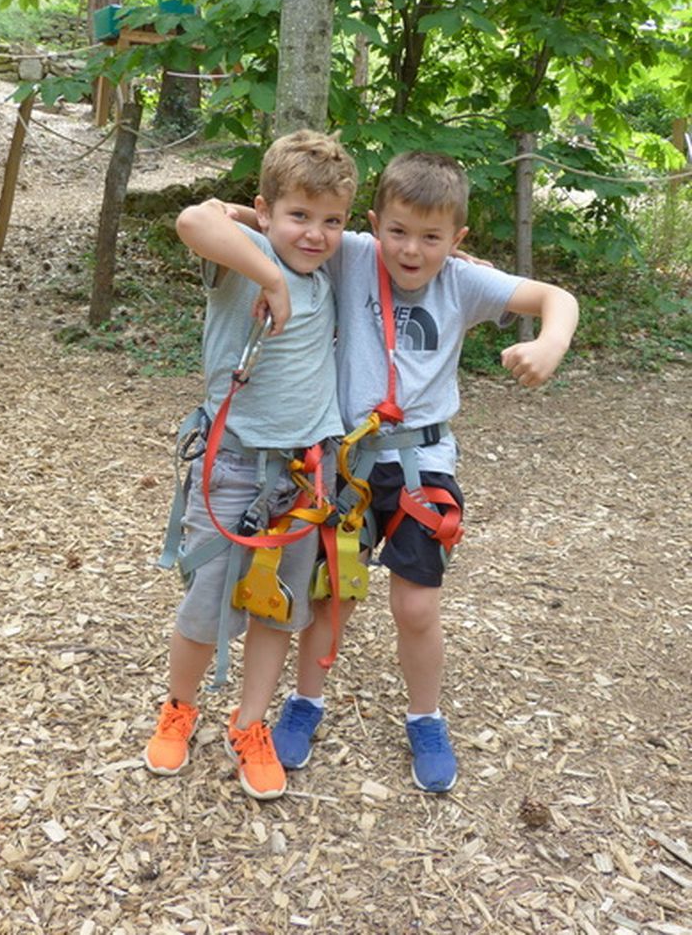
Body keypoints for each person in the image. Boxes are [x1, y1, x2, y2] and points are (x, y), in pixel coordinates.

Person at [272, 150, 579, 792]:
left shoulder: (463, 282)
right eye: (399, 232)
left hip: (423, 466)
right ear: (374, 223)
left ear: (458, 239)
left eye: (432, 238)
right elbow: (269, 226)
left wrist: (549, 342)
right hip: (349, 465)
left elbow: (556, 297)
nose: (412, 250)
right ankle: (306, 702)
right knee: (333, 597)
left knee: (416, 606)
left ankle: (425, 716)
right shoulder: (353, 254)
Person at [144, 130, 358, 801]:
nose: (317, 234)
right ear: (266, 211)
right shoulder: (250, 260)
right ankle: (180, 706)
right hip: (232, 465)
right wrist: (266, 266)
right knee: (206, 608)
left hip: (302, 477)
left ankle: (250, 724)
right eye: (300, 215)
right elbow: (191, 219)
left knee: (278, 612)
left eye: (332, 221)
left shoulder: (326, 275)